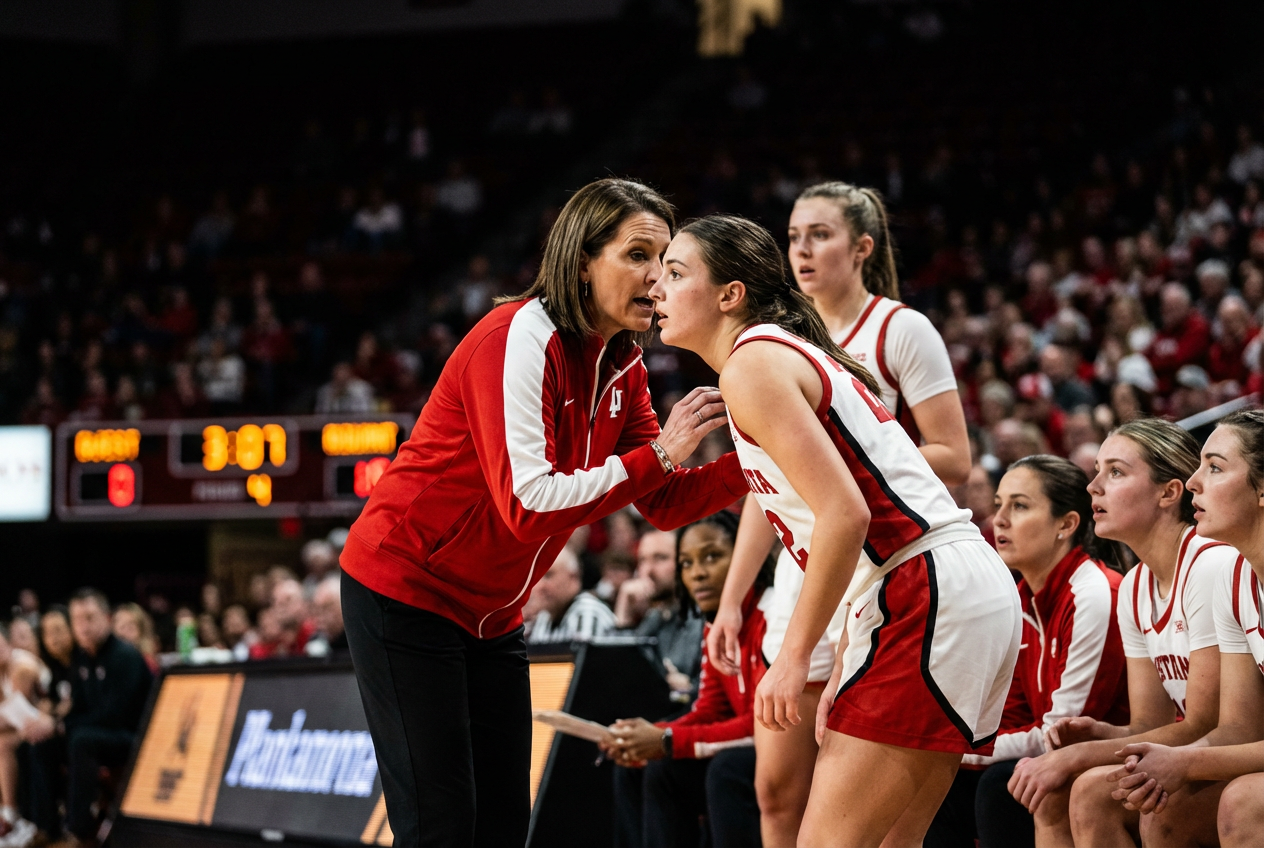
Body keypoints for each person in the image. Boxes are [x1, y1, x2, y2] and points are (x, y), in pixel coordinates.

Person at [339, 178, 748, 847]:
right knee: (441, 826)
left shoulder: (624, 368)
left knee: (503, 824)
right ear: (583, 260)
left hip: (494, 614)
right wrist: (666, 453)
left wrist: (759, 461)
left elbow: (665, 504)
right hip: (405, 590)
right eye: (639, 255)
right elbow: (529, 506)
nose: (658, 277)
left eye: (667, 261)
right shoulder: (516, 337)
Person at [650, 213, 1020, 847]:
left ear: (729, 294)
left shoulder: (752, 366)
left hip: (924, 589)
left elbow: (847, 515)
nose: (656, 287)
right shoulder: (772, 359)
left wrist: (793, 658)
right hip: (943, 588)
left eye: (676, 272)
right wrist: (847, 655)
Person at [708, 182, 971, 846]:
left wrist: (864, 451)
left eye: (819, 234)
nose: (802, 249)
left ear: (862, 247)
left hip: (883, 551)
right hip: (810, 559)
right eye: (793, 236)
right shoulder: (779, 338)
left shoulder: (900, 328)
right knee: (776, 786)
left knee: (859, 797)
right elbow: (766, 488)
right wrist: (735, 598)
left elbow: (954, 455)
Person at [1004, 420, 1235, 848]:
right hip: (1196, 749)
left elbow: (1204, 724)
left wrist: (1077, 754)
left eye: (1115, 472)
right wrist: (1104, 734)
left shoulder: (1209, 564)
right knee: (1058, 793)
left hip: (1232, 752)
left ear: (1169, 493)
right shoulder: (1134, 585)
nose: (1094, 486)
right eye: (1096, 470)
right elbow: (1152, 723)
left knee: (1102, 791)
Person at [926, 455, 1129, 848]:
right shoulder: (1018, 599)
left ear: (1067, 524)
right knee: (933, 787)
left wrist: (956, 748)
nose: (999, 518)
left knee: (1000, 785)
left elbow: (1062, 733)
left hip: (1110, 756)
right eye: (999, 504)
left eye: (1019, 506)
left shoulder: (1095, 593)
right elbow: (1012, 711)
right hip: (1051, 760)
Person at [1102, 410, 1264, 846]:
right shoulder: (1238, 575)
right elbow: (1239, 727)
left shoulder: (1213, 564)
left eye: (1214, 467)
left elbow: (1203, 723)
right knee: (1155, 805)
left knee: (1244, 802)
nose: (1195, 481)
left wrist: (1186, 762)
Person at [605, 510, 773, 848]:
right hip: (746, 743)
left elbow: (764, 729)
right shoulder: (715, 624)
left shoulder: (771, 613)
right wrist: (650, 738)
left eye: (712, 557)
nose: (697, 573)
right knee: (651, 766)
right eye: (687, 563)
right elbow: (710, 707)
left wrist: (668, 739)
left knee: (726, 769)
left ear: (745, 554)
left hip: (786, 749)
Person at [64, 589, 153, 844]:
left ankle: (79, 828)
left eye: (90, 618)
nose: (83, 626)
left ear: (107, 618)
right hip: (101, 733)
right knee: (40, 741)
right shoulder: (80, 657)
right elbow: (78, 708)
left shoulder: (124, 655)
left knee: (81, 739)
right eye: (77, 620)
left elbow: (114, 715)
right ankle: (40, 823)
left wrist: (63, 724)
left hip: (133, 737)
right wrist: (56, 727)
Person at [616, 529, 703, 697]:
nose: (648, 570)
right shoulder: (655, 617)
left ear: (684, 561)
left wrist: (688, 689)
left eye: (660, 558)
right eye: (642, 560)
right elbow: (621, 674)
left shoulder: (703, 616)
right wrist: (624, 613)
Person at [0, 625, 48, 848]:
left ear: (7, 642)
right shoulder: (2, 668)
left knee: (2, 746)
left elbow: (18, 715)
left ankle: (11, 814)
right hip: (25, 727)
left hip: (43, 726)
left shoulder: (22, 668)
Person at [525, 548, 616, 644]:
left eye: (548, 576)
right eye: (536, 578)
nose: (539, 586)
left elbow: (582, 658)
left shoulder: (587, 612)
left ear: (573, 577)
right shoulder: (544, 618)